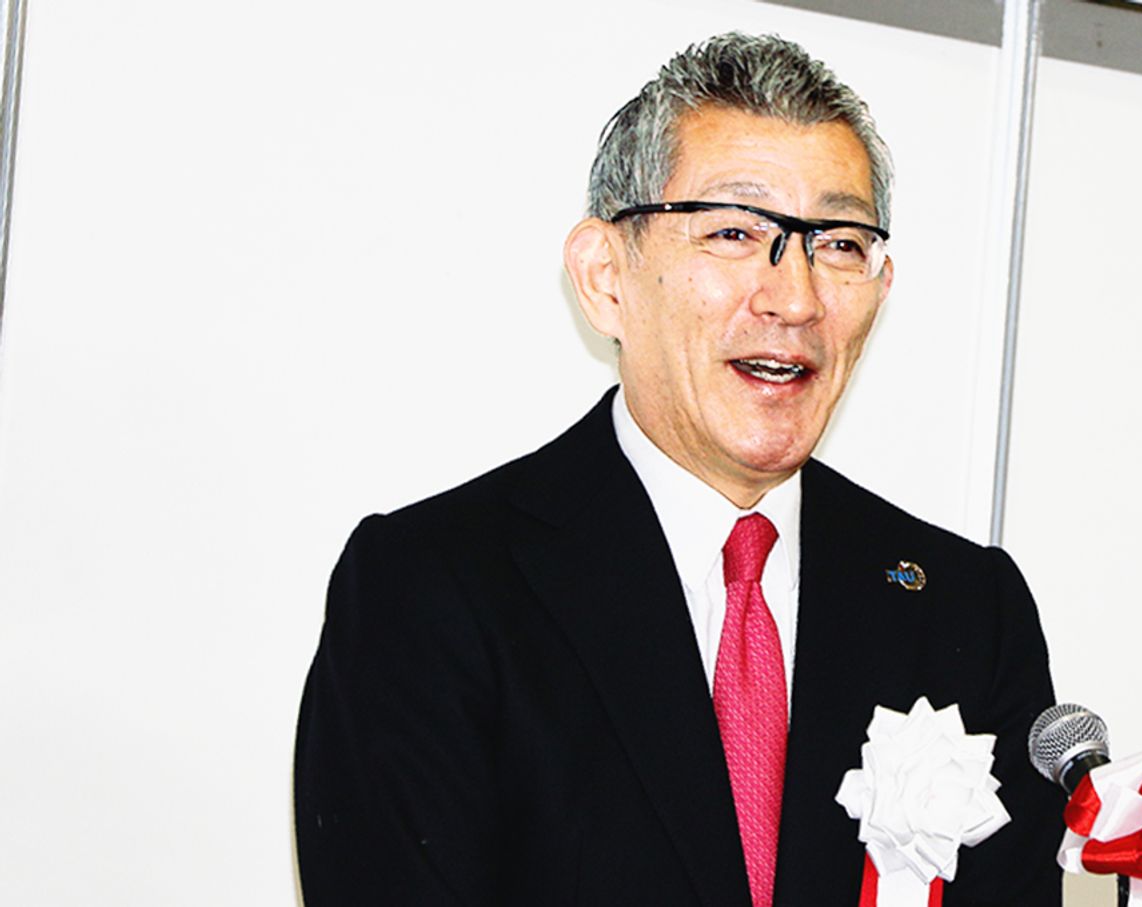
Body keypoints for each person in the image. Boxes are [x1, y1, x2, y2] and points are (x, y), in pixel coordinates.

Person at [294, 32, 1063, 906]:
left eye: (840, 243)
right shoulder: (432, 588)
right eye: (734, 231)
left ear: (880, 291)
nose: (796, 297)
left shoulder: (967, 609)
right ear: (606, 278)